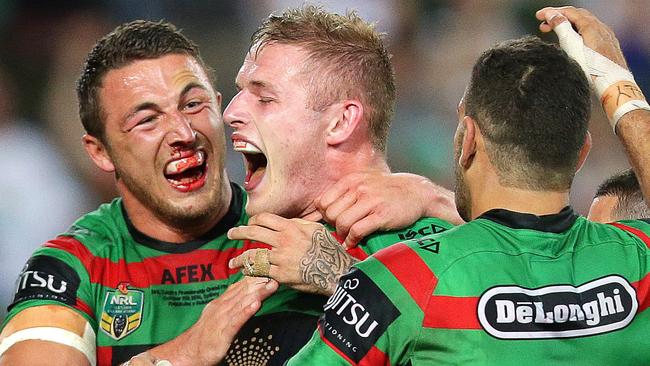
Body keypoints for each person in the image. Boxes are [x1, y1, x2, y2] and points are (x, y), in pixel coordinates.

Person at [0, 18, 457, 366]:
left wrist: (442, 203)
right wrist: (181, 355)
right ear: (100, 153)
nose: (182, 131)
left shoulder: (294, 235)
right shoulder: (72, 268)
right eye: (146, 119)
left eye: (194, 104)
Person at [282, 7, 650, 365]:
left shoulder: (404, 276)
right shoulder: (637, 263)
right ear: (582, 152)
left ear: (468, 139)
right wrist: (616, 81)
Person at [221, 6, 459, 365]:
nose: (231, 113)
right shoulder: (238, 236)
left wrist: (343, 278)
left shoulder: (444, 245)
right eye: (241, 92)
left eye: (265, 98)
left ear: (341, 122)